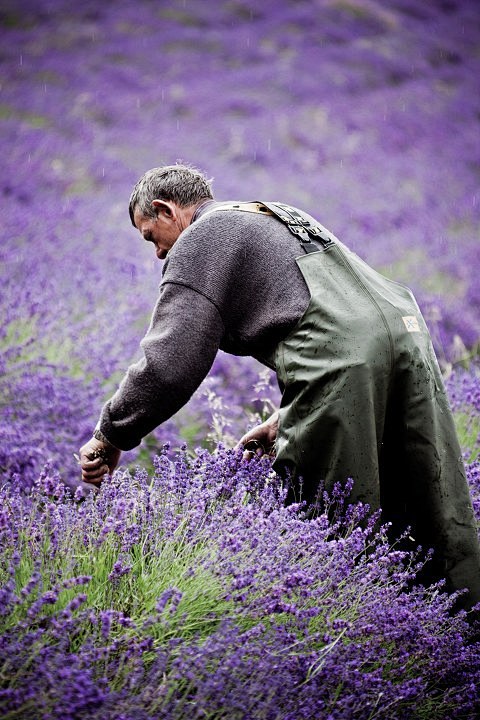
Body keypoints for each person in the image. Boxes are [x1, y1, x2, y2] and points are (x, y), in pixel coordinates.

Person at [79, 163, 480, 611]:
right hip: (407, 337)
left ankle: (343, 636)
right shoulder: (270, 213)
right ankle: (457, 627)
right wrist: (283, 416)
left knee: (326, 520)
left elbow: (171, 361)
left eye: (152, 237)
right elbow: (347, 316)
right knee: (425, 499)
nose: (157, 254)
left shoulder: (201, 238)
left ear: (165, 209)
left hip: (343, 358)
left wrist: (111, 433)